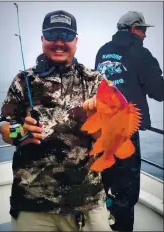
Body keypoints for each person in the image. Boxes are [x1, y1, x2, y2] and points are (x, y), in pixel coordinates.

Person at [0, 10, 112, 232]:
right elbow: (4, 128)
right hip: (33, 203)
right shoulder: (23, 81)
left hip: (87, 201)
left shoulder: (95, 81)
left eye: (66, 36)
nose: (59, 42)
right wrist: (19, 131)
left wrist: (98, 121)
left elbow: (107, 139)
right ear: (42, 39)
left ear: (76, 41)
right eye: (52, 35)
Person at [94, 11, 164, 232]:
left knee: (103, 182)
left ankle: (103, 221)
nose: (145, 35)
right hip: (125, 134)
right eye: (142, 30)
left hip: (102, 132)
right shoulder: (140, 52)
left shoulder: (102, 51)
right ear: (133, 28)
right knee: (126, 190)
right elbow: (159, 91)